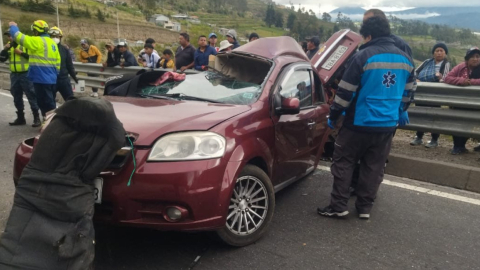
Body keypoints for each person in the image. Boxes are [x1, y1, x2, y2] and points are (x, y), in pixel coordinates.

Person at [317, 16, 415, 219]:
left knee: (344, 162)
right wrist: (401, 109)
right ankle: (364, 208)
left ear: (369, 35)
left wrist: (334, 115)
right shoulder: (406, 59)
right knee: (374, 166)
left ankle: (339, 206)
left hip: (358, 123)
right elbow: (409, 91)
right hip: (387, 125)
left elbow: (345, 92)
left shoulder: (363, 56)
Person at [8, 20, 60, 121]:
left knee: (45, 103)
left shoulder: (38, 41)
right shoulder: (51, 43)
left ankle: (50, 123)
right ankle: (49, 122)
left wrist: (13, 26)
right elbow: (58, 61)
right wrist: (54, 74)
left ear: (36, 31)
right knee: (49, 102)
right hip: (50, 77)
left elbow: (19, 37)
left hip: (41, 77)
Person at [410, 43, 451, 148]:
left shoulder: (446, 64)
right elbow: (415, 72)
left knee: (434, 116)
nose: (439, 53)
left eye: (441, 50)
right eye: (437, 51)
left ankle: (434, 139)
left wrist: (438, 78)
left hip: (436, 95)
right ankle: (419, 137)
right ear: (433, 53)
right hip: (422, 93)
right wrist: (418, 79)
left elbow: (444, 79)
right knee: (421, 114)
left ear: (445, 53)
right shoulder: (427, 62)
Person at [444, 47, 480, 155]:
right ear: (467, 59)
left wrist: (470, 82)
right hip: (461, 103)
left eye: (478, 57)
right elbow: (448, 78)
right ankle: (458, 146)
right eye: (472, 57)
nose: (475, 59)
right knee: (459, 124)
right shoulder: (461, 67)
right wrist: (461, 81)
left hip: (477, 103)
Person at [0, 31, 40, 127]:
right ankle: (21, 118)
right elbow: (1, 59)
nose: (9, 38)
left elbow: (33, 58)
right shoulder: (9, 46)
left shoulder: (25, 45)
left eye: (11, 36)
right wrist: (4, 50)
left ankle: (36, 117)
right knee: (16, 95)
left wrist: (21, 53)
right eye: (8, 36)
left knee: (31, 95)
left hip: (26, 74)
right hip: (14, 75)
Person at [48, 26, 78, 101]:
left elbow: (69, 65)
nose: (54, 38)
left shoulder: (64, 50)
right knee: (49, 103)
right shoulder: (44, 49)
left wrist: (75, 77)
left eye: (57, 36)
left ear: (60, 37)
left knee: (71, 101)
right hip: (50, 80)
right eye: (52, 36)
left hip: (63, 80)